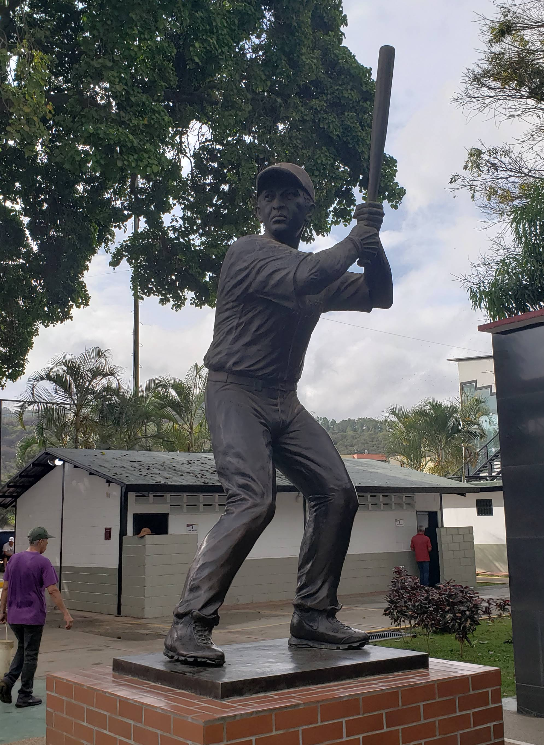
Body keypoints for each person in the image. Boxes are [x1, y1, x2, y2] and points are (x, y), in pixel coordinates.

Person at [164, 163, 392, 666]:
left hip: (283, 399)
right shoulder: (248, 252)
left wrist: (373, 249)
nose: (278, 204)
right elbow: (309, 273)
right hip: (234, 391)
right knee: (252, 501)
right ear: (258, 209)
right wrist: (358, 238)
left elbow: (380, 296)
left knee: (336, 493)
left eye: (291, 196)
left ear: (309, 207)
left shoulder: (318, 269)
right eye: (269, 197)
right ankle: (189, 624)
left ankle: (313, 616)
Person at [0, 527, 73, 708]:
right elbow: (52, 589)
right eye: (46, 541)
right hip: (33, 616)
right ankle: (25, 695)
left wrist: (2, 611)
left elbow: (6, 588)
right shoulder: (43, 562)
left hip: (15, 615)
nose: (47, 544)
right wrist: (66, 613)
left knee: (23, 649)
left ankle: (8, 681)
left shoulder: (14, 559)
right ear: (40, 541)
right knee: (30, 654)